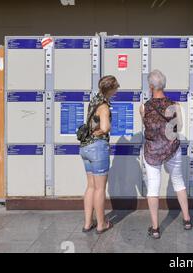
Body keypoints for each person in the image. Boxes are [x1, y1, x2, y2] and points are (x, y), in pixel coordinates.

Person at [140, 69, 192, 239]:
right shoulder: (175, 105)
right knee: (179, 182)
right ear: (164, 85)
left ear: (150, 86)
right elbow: (180, 128)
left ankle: (155, 228)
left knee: (153, 188)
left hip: (152, 152)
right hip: (172, 150)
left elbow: (146, 127)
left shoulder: (143, 107)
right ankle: (187, 219)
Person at [79, 75, 119, 234]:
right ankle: (102, 224)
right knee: (100, 188)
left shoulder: (94, 101)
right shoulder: (103, 106)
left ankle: (88, 223)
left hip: (85, 148)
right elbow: (105, 127)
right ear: (111, 89)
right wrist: (102, 130)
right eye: (116, 87)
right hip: (97, 148)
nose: (117, 90)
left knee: (90, 186)